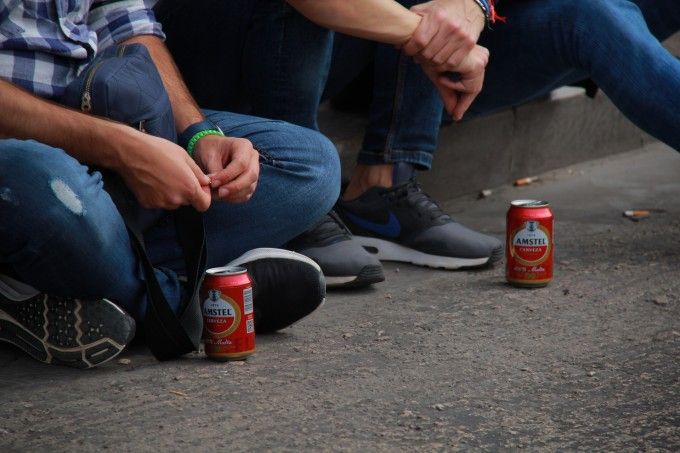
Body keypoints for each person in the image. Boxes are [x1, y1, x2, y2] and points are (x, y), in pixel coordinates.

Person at [0, 1, 339, 368]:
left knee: (312, 164)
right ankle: (191, 305)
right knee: (40, 180)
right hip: (25, 150)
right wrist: (121, 148)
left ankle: (73, 274)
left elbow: (127, 24)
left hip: (100, 115)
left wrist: (199, 134)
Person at [157, 0, 503, 289]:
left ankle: (384, 183)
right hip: (179, 54)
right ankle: (296, 204)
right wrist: (432, 37)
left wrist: (472, 7)